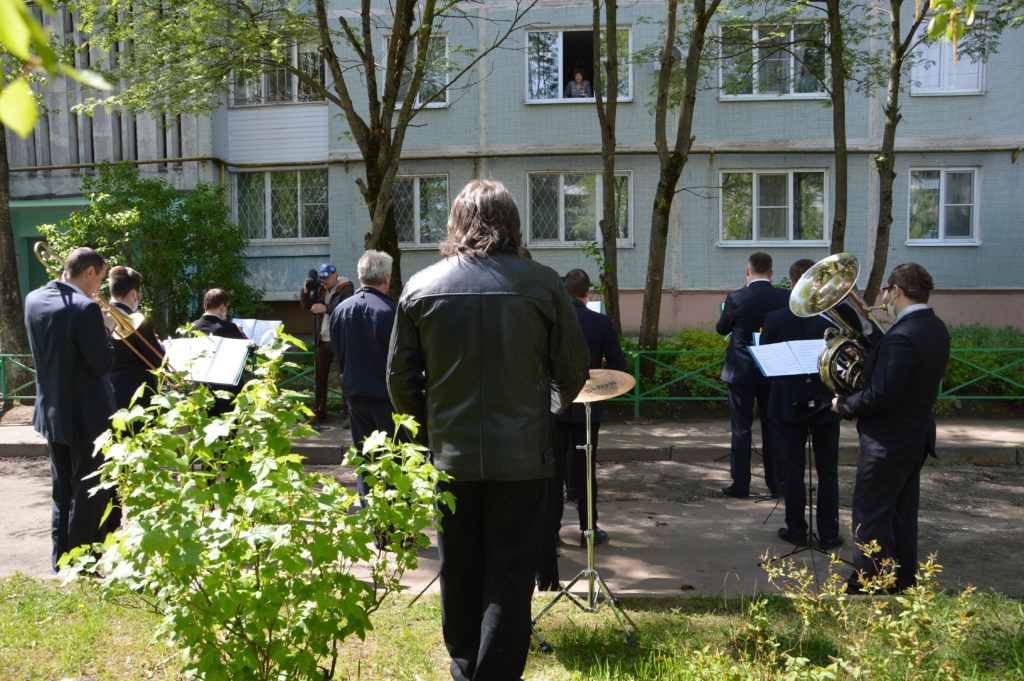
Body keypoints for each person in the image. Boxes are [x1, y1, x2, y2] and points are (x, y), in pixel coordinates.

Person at [387, 179, 589, 681]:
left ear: (456, 221)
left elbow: (399, 380)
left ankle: (464, 670)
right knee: (510, 576)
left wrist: (432, 433)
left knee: (459, 570)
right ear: (512, 222)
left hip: (451, 457)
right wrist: (544, 407)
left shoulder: (421, 285)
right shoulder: (543, 283)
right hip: (522, 459)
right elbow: (572, 371)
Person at [832, 263, 950, 593]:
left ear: (896, 290)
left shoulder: (904, 335)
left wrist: (843, 405)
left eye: (886, 289)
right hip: (914, 437)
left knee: (870, 514)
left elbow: (880, 395)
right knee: (900, 513)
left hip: (889, 440)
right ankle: (902, 578)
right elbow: (899, 380)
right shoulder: (935, 327)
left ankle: (868, 581)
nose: (884, 296)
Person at [24, 246, 117, 571]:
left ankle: (60, 562)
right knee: (88, 492)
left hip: (51, 413)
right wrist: (106, 328)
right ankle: (82, 565)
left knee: (62, 491)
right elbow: (102, 364)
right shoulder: (85, 308)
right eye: (99, 280)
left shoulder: (34, 299)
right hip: (87, 416)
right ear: (89, 272)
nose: (99, 289)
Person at [537, 268, 625, 591]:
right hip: (588, 409)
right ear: (588, 293)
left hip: (556, 409)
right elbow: (618, 366)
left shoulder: (551, 321)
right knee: (586, 472)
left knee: (554, 473)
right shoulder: (600, 323)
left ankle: (552, 532)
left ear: (564, 291)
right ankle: (590, 530)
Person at [761, 259, 842, 550]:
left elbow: (767, 363)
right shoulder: (835, 321)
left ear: (792, 284)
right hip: (826, 403)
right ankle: (829, 532)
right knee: (828, 469)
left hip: (787, 404)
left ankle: (796, 528)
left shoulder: (776, 319)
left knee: (792, 468)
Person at [716, 252, 789, 499]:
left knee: (741, 429)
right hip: (773, 368)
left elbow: (721, 328)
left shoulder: (737, 297)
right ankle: (776, 484)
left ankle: (741, 485)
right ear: (771, 273)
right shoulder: (784, 297)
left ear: (747, 272)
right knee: (773, 427)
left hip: (741, 370)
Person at [330, 250, 398, 504]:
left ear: (361, 276)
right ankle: (397, 526)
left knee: (366, 459)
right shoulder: (392, 311)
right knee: (395, 461)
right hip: (388, 399)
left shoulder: (340, 310)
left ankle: (374, 524)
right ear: (387, 279)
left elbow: (339, 354)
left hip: (356, 397)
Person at [300, 263, 354, 430]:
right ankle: (318, 413)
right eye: (321, 278)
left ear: (335, 275)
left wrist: (326, 308)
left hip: (339, 339)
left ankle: (348, 415)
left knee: (344, 378)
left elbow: (345, 308)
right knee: (319, 378)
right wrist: (305, 292)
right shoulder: (321, 288)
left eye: (326, 278)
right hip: (321, 339)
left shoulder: (347, 288)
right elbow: (306, 306)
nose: (324, 281)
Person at [107, 265, 165, 410]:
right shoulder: (137, 321)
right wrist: (161, 346)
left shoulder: (99, 315)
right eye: (139, 293)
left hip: (108, 394)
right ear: (133, 294)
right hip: (137, 397)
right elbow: (158, 360)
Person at [190, 288, 249, 416]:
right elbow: (248, 351)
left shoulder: (191, 327)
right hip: (226, 388)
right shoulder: (229, 328)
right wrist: (240, 331)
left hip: (200, 388)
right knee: (227, 432)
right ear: (222, 306)